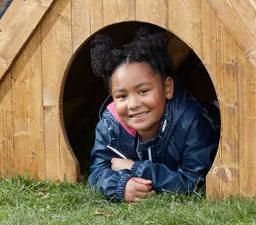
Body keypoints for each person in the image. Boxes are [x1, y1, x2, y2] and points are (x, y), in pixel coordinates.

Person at [87, 26, 220, 202]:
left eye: (143, 91)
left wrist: (136, 168)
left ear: (167, 88)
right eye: (122, 96)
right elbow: (97, 172)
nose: (133, 105)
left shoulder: (190, 122)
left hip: (212, 117)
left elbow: (193, 182)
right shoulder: (109, 126)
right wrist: (122, 187)